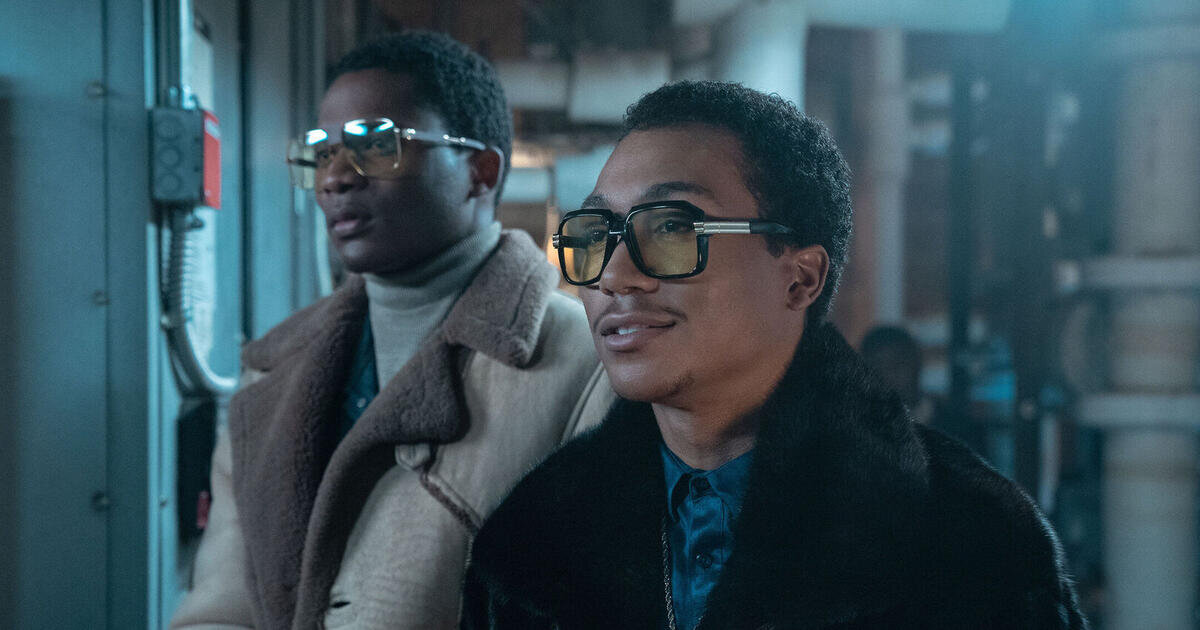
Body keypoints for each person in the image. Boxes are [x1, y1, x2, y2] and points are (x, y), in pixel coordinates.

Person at [461, 81, 1087, 629]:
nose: (614, 276)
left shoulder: (967, 541)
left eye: (673, 229)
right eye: (596, 235)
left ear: (800, 278)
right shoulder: (531, 545)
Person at [170, 31, 609, 630]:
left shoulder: (587, 367)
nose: (335, 178)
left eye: (376, 145)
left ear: (480, 173)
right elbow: (221, 608)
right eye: (321, 153)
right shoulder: (271, 372)